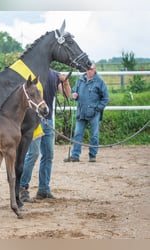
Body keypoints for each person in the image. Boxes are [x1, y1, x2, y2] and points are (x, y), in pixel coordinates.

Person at [20, 69, 71, 202]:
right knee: (33, 154)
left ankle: (43, 189)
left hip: (48, 119)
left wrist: (65, 82)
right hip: (33, 119)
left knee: (48, 154)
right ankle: (22, 187)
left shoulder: (55, 75)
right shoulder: (29, 72)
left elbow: (66, 95)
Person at [64, 62, 109, 163]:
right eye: (87, 69)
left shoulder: (100, 81)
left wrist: (97, 109)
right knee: (77, 133)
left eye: (91, 69)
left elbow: (105, 98)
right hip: (81, 112)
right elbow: (74, 92)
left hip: (94, 113)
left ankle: (92, 155)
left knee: (94, 135)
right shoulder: (80, 80)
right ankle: (75, 155)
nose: (89, 71)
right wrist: (73, 95)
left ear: (95, 70)